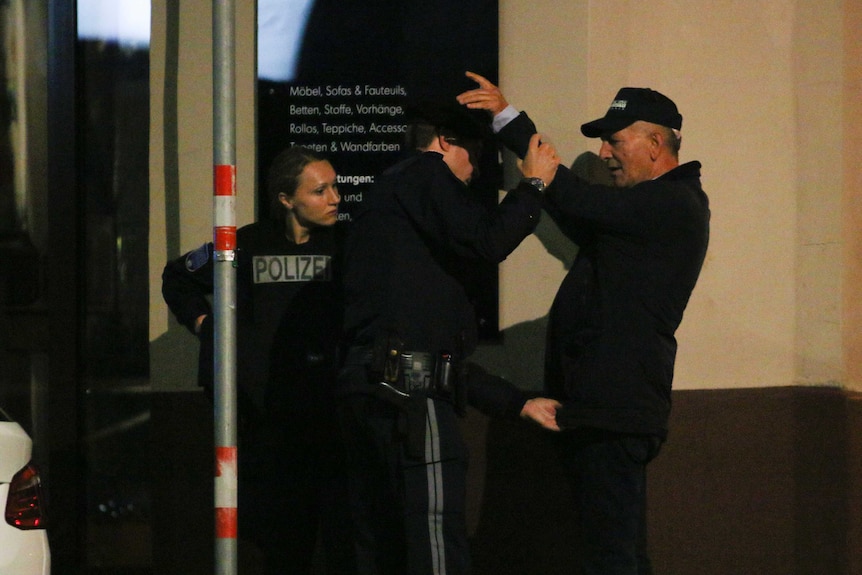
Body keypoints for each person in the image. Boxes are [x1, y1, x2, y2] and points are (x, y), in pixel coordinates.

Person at [458, 72, 711, 574]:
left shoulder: (672, 202)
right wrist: (508, 120)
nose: (603, 153)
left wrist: (519, 137)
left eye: (615, 140)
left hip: (615, 410)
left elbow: (574, 198)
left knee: (611, 556)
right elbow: (570, 204)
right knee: (615, 551)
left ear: (656, 143)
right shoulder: (635, 215)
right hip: (602, 409)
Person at [337, 98, 563, 575]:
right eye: (474, 156)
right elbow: (487, 242)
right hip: (412, 396)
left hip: (370, 390)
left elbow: (419, 331)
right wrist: (535, 183)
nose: (476, 172)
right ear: (443, 142)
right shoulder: (425, 173)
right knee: (436, 541)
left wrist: (514, 402)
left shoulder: (385, 205)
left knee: (380, 544)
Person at [161, 146, 354, 575]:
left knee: (344, 539)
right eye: (320, 190)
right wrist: (206, 325)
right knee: (281, 544)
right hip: (268, 420)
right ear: (287, 200)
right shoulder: (245, 244)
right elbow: (177, 277)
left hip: (333, 415)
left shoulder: (347, 246)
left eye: (335, 186)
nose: (335, 197)